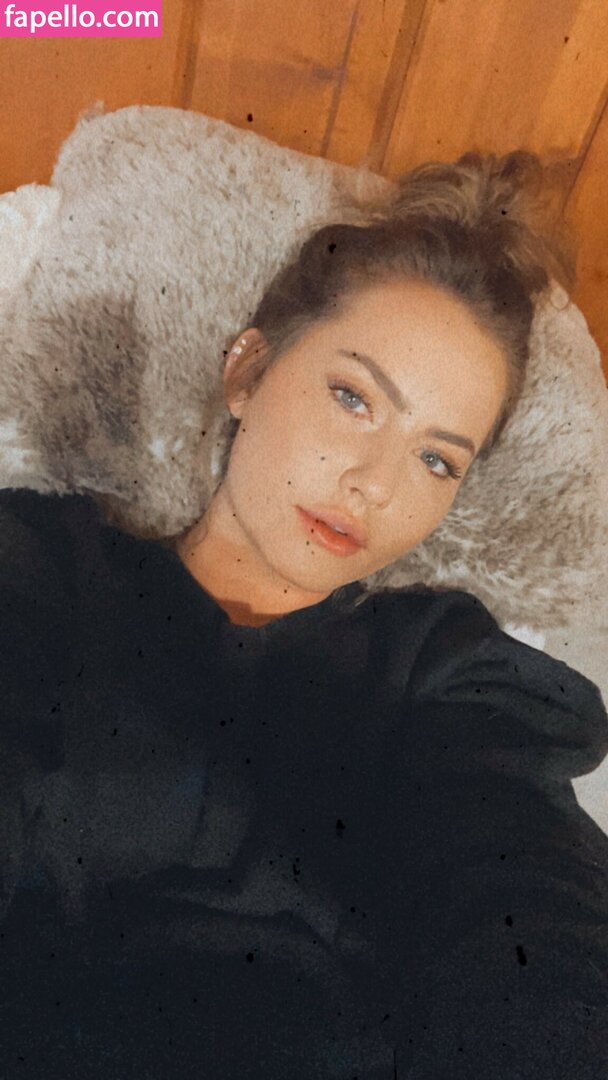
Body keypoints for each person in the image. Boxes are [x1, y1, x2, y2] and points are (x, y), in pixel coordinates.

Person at [1, 151, 607, 1079]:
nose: (375, 484)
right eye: (353, 398)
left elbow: (524, 888)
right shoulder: (41, 568)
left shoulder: (442, 673)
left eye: (437, 460)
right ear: (248, 370)